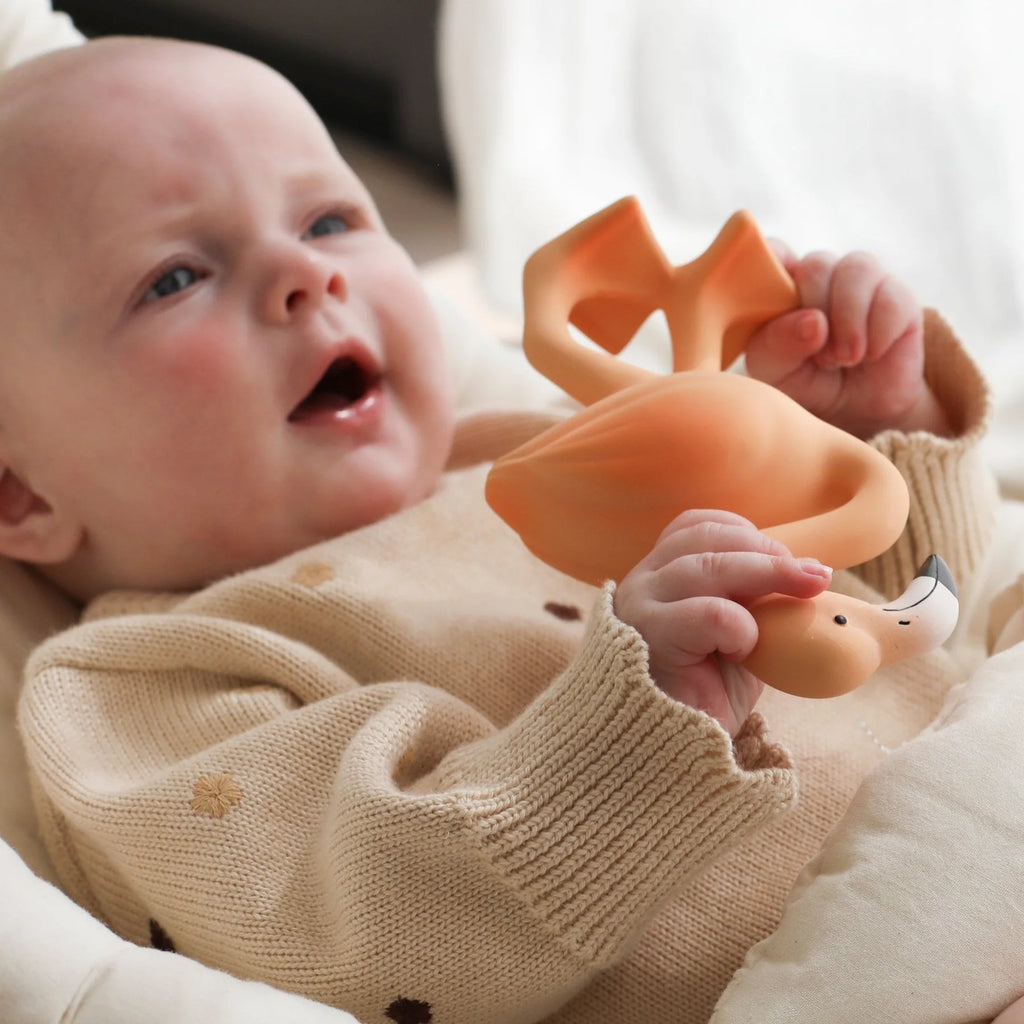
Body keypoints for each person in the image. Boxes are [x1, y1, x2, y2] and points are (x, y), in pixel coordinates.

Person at [3, 34, 1005, 1024]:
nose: (304, 276)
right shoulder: (142, 686)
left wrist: (870, 432)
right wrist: (644, 721)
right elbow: (380, 947)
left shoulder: (548, 448)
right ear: (20, 496)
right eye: (173, 278)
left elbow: (898, 627)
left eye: (328, 219)